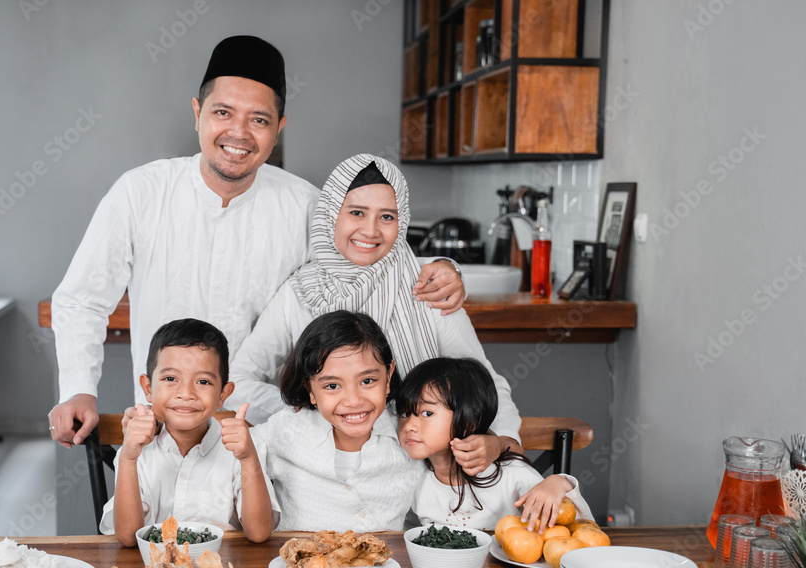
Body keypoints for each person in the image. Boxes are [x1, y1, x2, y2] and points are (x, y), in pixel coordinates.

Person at [48, 37, 466, 447]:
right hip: (162, 429)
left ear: (279, 128)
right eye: (223, 112)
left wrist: (444, 267)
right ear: (197, 114)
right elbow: (83, 299)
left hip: (270, 434)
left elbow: (374, 259)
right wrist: (78, 388)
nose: (239, 133)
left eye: (259, 120)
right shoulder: (140, 192)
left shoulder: (307, 205)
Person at [228, 153, 521, 474]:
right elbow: (239, 380)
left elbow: (485, 381)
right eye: (356, 212)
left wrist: (502, 440)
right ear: (330, 215)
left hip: (424, 475)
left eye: (387, 217)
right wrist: (313, 412)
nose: (371, 230)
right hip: (324, 473)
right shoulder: (299, 294)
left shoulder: (428, 286)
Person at [101, 318, 279, 546]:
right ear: (148, 389)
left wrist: (248, 459)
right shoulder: (136, 451)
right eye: (170, 378)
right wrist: (127, 457)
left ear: (224, 394)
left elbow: (259, 533)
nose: (186, 393)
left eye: (203, 381)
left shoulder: (246, 449)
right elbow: (127, 537)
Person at [250, 310, 423, 532]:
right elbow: (231, 457)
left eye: (367, 380)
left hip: (387, 565)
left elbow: (454, 442)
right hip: (301, 565)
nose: (353, 401)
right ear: (310, 390)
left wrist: (483, 440)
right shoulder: (285, 432)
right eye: (332, 386)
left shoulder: (412, 431)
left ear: (388, 377)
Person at [397, 357, 593, 532]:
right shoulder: (412, 479)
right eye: (405, 413)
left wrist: (559, 483)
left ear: (468, 420)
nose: (409, 425)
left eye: (427, 413)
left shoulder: (512, 474)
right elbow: (408, 534)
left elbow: (579, 529)